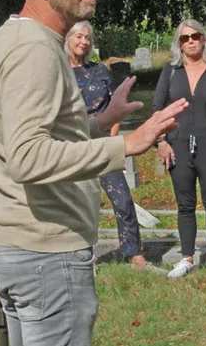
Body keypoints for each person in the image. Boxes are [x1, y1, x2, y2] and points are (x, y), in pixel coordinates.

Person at [0, 0, 187, 346]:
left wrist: (99, 121)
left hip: (13, 244)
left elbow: (32, 139)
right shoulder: (35, 51)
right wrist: (126, 145)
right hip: (44, 252)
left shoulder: (8, 40)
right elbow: (29, 158)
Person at [65, 21, 163, 273]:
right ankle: (87, 259)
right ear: (68, 38)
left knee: (122, 199)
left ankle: (135, 256)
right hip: (73, 148)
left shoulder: (99, 71)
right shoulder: (58, 73)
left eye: (87, 37)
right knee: (80, 205)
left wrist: (113, 138)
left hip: (104, 145)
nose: (84, 42)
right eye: (79, 36)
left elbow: (115, 108)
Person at [153, 20, 206, 279]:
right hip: (178, 146)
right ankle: (187, 258)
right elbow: (157, 109)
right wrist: (162, 142)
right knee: (185, 204)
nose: (190, 41)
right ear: (179, 43)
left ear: (204, 39)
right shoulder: (170, 71)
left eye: (195, 36)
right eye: (185, 38)